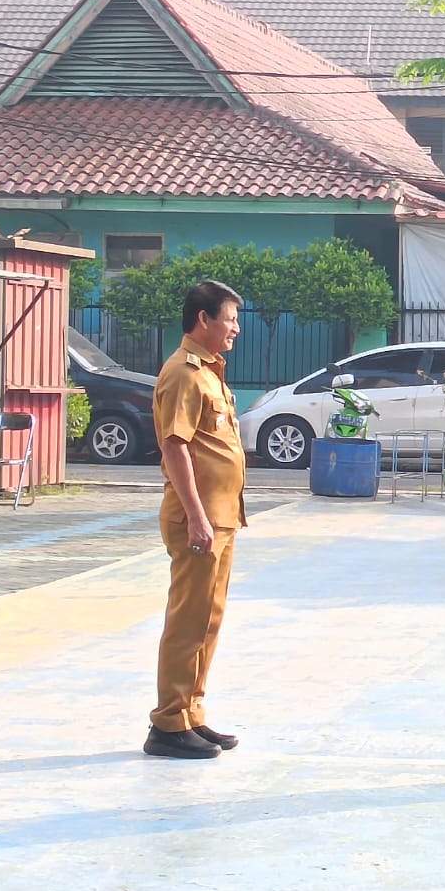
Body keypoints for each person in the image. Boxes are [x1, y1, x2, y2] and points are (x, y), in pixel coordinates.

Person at [144, 279, 247, 760]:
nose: (235, 329)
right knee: (188, 620)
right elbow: (174, 446)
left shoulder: (210, 371)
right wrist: (197, 516)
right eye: (229, 319)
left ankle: (191, 714)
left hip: (221, 518)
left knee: (208, 620)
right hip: (199, 520)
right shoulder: (184, 373)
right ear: (203, 319)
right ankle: (167, 723)